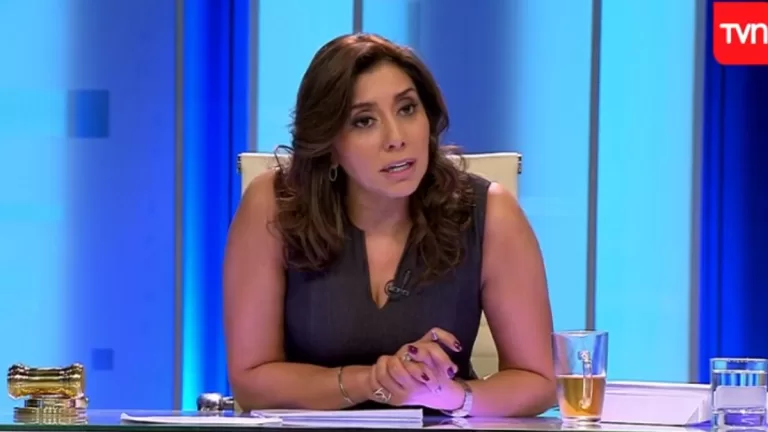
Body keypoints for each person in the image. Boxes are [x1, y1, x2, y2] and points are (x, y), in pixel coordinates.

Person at [223, 33, 555, 417]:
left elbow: (538, 381)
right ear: (329, 143)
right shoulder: (274, 205)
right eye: (364, 121)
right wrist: (375, 381)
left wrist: (451, 396)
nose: (396, 138)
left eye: (407, 109)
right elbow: (251, 381)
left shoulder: (491, 212)